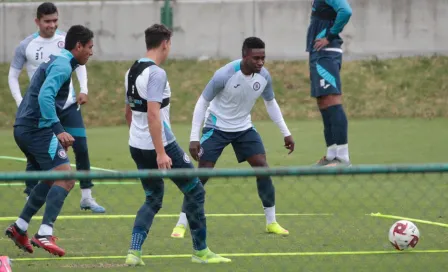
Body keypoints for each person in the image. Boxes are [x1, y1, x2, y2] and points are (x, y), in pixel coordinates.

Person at [123, 24, 231, 266]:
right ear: (165, 44)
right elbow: (153, 114)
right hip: (160, 145)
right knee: (195, 190)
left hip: (137, 144)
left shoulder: (131, 70)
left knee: (152, 198)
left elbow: (128, 112)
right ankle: (201, 251)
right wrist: (160, 152)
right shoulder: (157, 74)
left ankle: (134, 252)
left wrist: (139, 140)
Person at [170, 37, 295, 239]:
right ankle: (181, 223)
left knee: (262, 168)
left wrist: (286, 132)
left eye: (263, 58)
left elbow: (271, 103)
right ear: (245, 56)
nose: (261, 62)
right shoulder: (224, 75)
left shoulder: (264, 76)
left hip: (244, 128)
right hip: (216, 127)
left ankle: (271, 222)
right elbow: (202, 102)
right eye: (256, 58)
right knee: (202, 175)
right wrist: (194, 138)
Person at [5, 25, 95, 257]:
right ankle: (44, 233)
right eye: (89, 47)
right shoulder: (63, 65)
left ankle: (20, 227)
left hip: (26, 128)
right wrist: (58, 130)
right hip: (36, 129)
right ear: (78, 47)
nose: (91, 52)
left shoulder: (61, 61)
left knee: (50, 178)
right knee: (66, 178)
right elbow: (45, 95)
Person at [7, 2, 105, 212]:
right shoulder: (27, 45)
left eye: (55, 20)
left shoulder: (66, 40)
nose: (52, 25)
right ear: (37, 21)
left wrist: (84, 89)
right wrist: (20, 101)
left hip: (67, 105)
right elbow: (13, 76)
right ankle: (30, 198)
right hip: (41, 107)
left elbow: (78, 64)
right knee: (37, 154)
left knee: (81, 147)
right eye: (47, 21)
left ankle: (87, 196)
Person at [306, 0, 352, 166]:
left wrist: (330, 36)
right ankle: (331, 155)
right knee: (323, 102)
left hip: (327, 53)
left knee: (332, 100)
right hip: (318, 54)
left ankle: (343, 157)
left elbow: (346, 11)